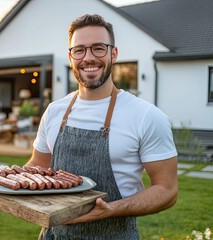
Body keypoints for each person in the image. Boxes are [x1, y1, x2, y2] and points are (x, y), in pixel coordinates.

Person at [25, 14, 178, 239]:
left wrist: (112, 210)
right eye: (79, 50)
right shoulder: (55, 111)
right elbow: (37, 166)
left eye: (98, 48)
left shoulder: (146, 116)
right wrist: (13, 180)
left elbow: (167, 190)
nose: (88, 58)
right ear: (70, 57)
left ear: (113, 54)